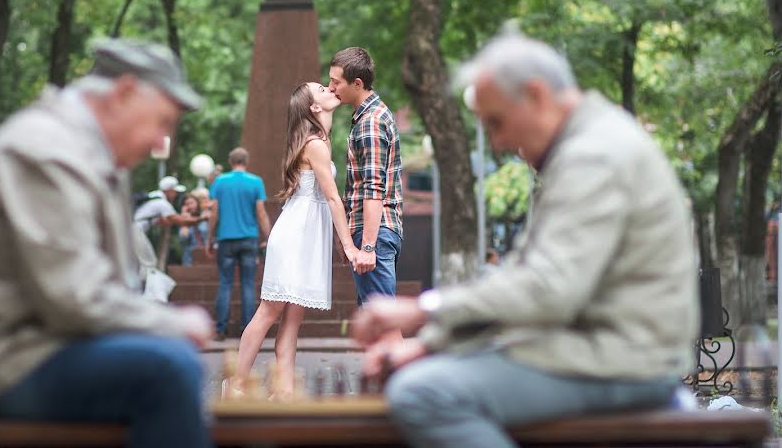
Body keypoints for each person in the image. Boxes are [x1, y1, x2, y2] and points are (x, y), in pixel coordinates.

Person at [350, 32, 699, 448]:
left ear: (535, 95)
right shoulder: (587, 145)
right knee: (428, 375)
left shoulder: (594, 156)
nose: (498, 143)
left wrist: (421, 310)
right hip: (598, 349)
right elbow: (525, 278)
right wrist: (429, 346)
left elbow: (548, 291)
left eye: (496, 122)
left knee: (425, 394)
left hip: (623, 361)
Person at [0, 38, 214, 448]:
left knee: (165, 362)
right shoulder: (47, 148)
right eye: (162, 122)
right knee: (169, 368)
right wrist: (172, 322)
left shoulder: (89, 151)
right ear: (125, 93)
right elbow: (74, 297)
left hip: (44, 346)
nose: (160, 141)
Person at [224, 83, 359, 399]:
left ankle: (282, 390)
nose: (331, 88)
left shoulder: (318, 141)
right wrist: (348, 244)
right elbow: (332, 198)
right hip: (295, 236)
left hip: (307, 236)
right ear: (315, 107)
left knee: (293, 319)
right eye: (323, 88)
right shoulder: (315, 145)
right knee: (269, 311)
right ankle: (235, 384)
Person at [328, 46, 403, 305]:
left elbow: (373, 188)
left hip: (374, 233)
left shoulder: (370, 122)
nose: (331, 88)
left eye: (336, 82)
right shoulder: (369, 117)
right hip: (374, 232)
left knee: (383, 327)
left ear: (357, 83)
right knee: (378, 327)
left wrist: (368, 247)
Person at [206, 147, 271, 340]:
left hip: (226, 239)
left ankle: (220, 329)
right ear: (247, 161)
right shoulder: (255, 182)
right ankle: (247, 329)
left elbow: (214, 212)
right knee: (248, 284)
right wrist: (268, 237)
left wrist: (210, 237)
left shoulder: (220, 182)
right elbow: (261, 213)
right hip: (249, 239)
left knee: (225, 283)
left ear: (230, 161)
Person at [178, 193, 208, 266]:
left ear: (197, 203)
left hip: (207, 256)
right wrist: (184, 217)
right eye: (186, 204)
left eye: (192, 203)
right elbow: (183, 238)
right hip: (190, 259)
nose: (190, 206)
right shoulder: (183, 222)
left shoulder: (205, 217)